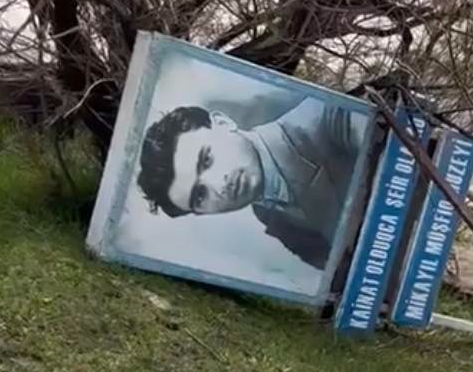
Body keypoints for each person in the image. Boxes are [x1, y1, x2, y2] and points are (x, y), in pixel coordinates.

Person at [136, 97, 365, 269]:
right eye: (200, 195)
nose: (219, 185)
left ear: (223, 123)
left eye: (207, 159)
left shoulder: (321, 117)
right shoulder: (269, 216)